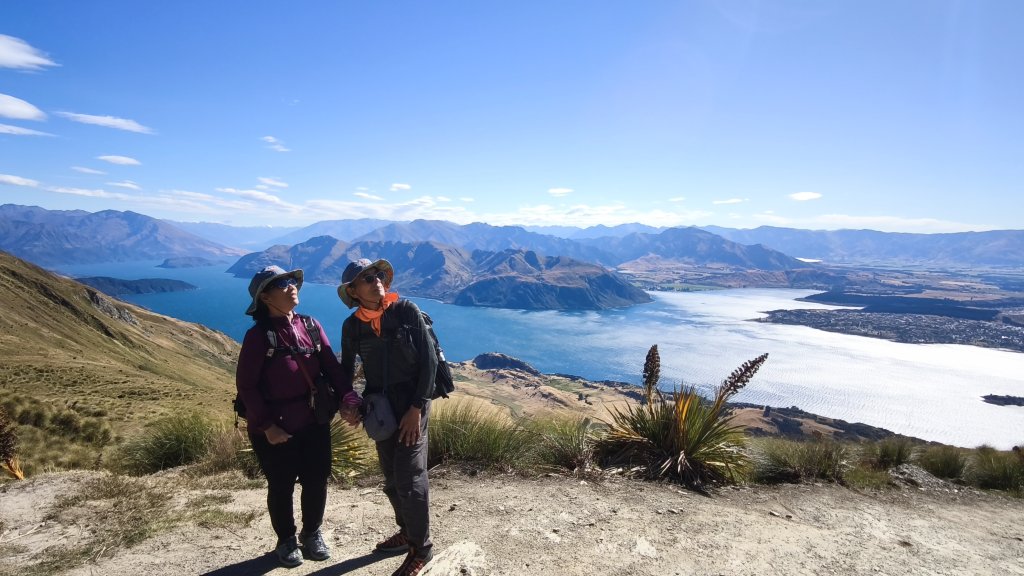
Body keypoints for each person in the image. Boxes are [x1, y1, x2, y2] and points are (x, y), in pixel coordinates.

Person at [236, 265, 361, 568]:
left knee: (317, 480)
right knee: (281, 485)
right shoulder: (259, 337)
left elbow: (332, 366)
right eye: (281, 283)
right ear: (265, 297)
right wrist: (267, 427)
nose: (292, 286)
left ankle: (312, 533)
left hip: (314, 420)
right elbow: (246, 386)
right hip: (276, 427)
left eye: (292, 280)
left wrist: (348, 397)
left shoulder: (312, 326)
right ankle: (287, 539)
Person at [338, 258, 437, 576]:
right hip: (380, 407)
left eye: (378, 274)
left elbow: (430, 363)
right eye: (366, 278)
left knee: (410, 477)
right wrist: (349, 403)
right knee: (392, 479)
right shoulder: (353, 326)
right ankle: (407, 530)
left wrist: (416, 408)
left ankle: (422, 549)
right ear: (353, 291)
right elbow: (345, 374)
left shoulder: (405, 310)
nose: (376, 279)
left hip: (412, 404)